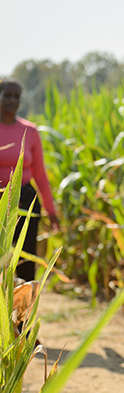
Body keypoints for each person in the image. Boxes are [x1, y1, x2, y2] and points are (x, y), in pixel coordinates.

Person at [0, 78, 59, 281]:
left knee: (26, 256)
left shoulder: (30, 131)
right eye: (7, 95)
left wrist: (51, 211)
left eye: (16, 96)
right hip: (0, 198)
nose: (12, 100)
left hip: (26, 199)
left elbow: (40, 175)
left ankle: (24, 306)